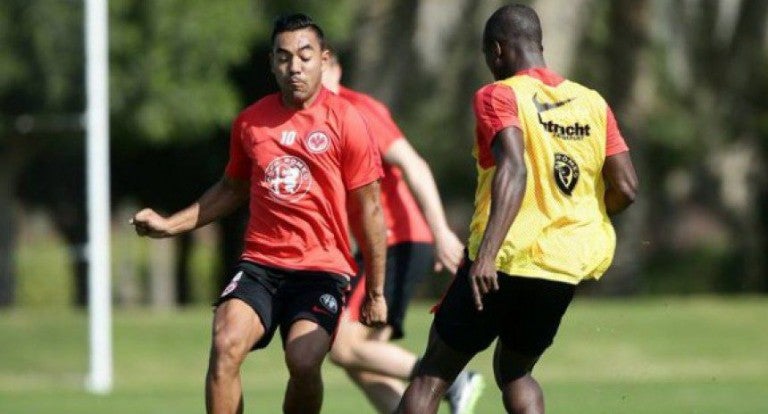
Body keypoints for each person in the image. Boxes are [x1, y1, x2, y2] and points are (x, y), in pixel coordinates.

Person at [130, 14, 388, 414]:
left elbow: (370, 209)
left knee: (303, 362)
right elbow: (231, 189)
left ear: (324, 58)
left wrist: (374, 291)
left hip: (322, 269)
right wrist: (169, 226)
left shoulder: (347, 121)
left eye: (304, 56)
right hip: (261, 265)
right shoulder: (251, 122)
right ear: (272, 63)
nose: (294, 67)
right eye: (283, 58)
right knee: (225, 346)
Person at [398, 4, 639, 414]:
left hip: (503, 261)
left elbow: (514, 167)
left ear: (497, 50)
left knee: (433, 373)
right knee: (515, 372)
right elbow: (627, 188)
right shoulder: (592, 103)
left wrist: (487, 255)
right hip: (560, 268)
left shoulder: (499, 94)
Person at [321, 52, 484, 413]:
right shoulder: (316, 122)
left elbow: (414, 164)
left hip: (397, 240)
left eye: (315, 63)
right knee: (362, 362)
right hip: (381, 245)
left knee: (341, 346)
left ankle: (453, 381)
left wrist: (441, 231)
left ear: (333, 66)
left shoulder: (356, 109)